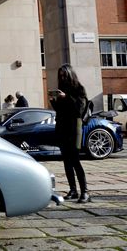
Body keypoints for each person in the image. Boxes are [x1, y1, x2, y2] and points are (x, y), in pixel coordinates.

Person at [49, 64, 90, 203]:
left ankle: (85, 191)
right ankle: (73, 190)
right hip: (62, 127)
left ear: (70, 74)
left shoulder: (78, 89)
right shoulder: (62, 90)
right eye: (60, 75)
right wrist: (54, 102)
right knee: (66, 161)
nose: (62, 78)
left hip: (74, 127)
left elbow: (79, 108)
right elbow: (60, 111)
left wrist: (66, 97)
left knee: (75, 159)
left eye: (64, 75)